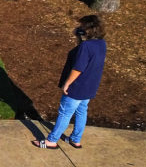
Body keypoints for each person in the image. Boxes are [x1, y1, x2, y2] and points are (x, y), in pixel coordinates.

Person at [33, 15, 107, 150]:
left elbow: (78, 68)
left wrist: (67, 83)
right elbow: (87, 57)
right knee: (81, 111)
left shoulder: (86, 46)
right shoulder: (101, 44)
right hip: (90, 87)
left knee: (65, 113)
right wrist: (80, 39)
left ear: (88, 29)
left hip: (77, 86)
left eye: (82, 26)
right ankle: (75, 139)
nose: (80, 28)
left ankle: (52, 141)